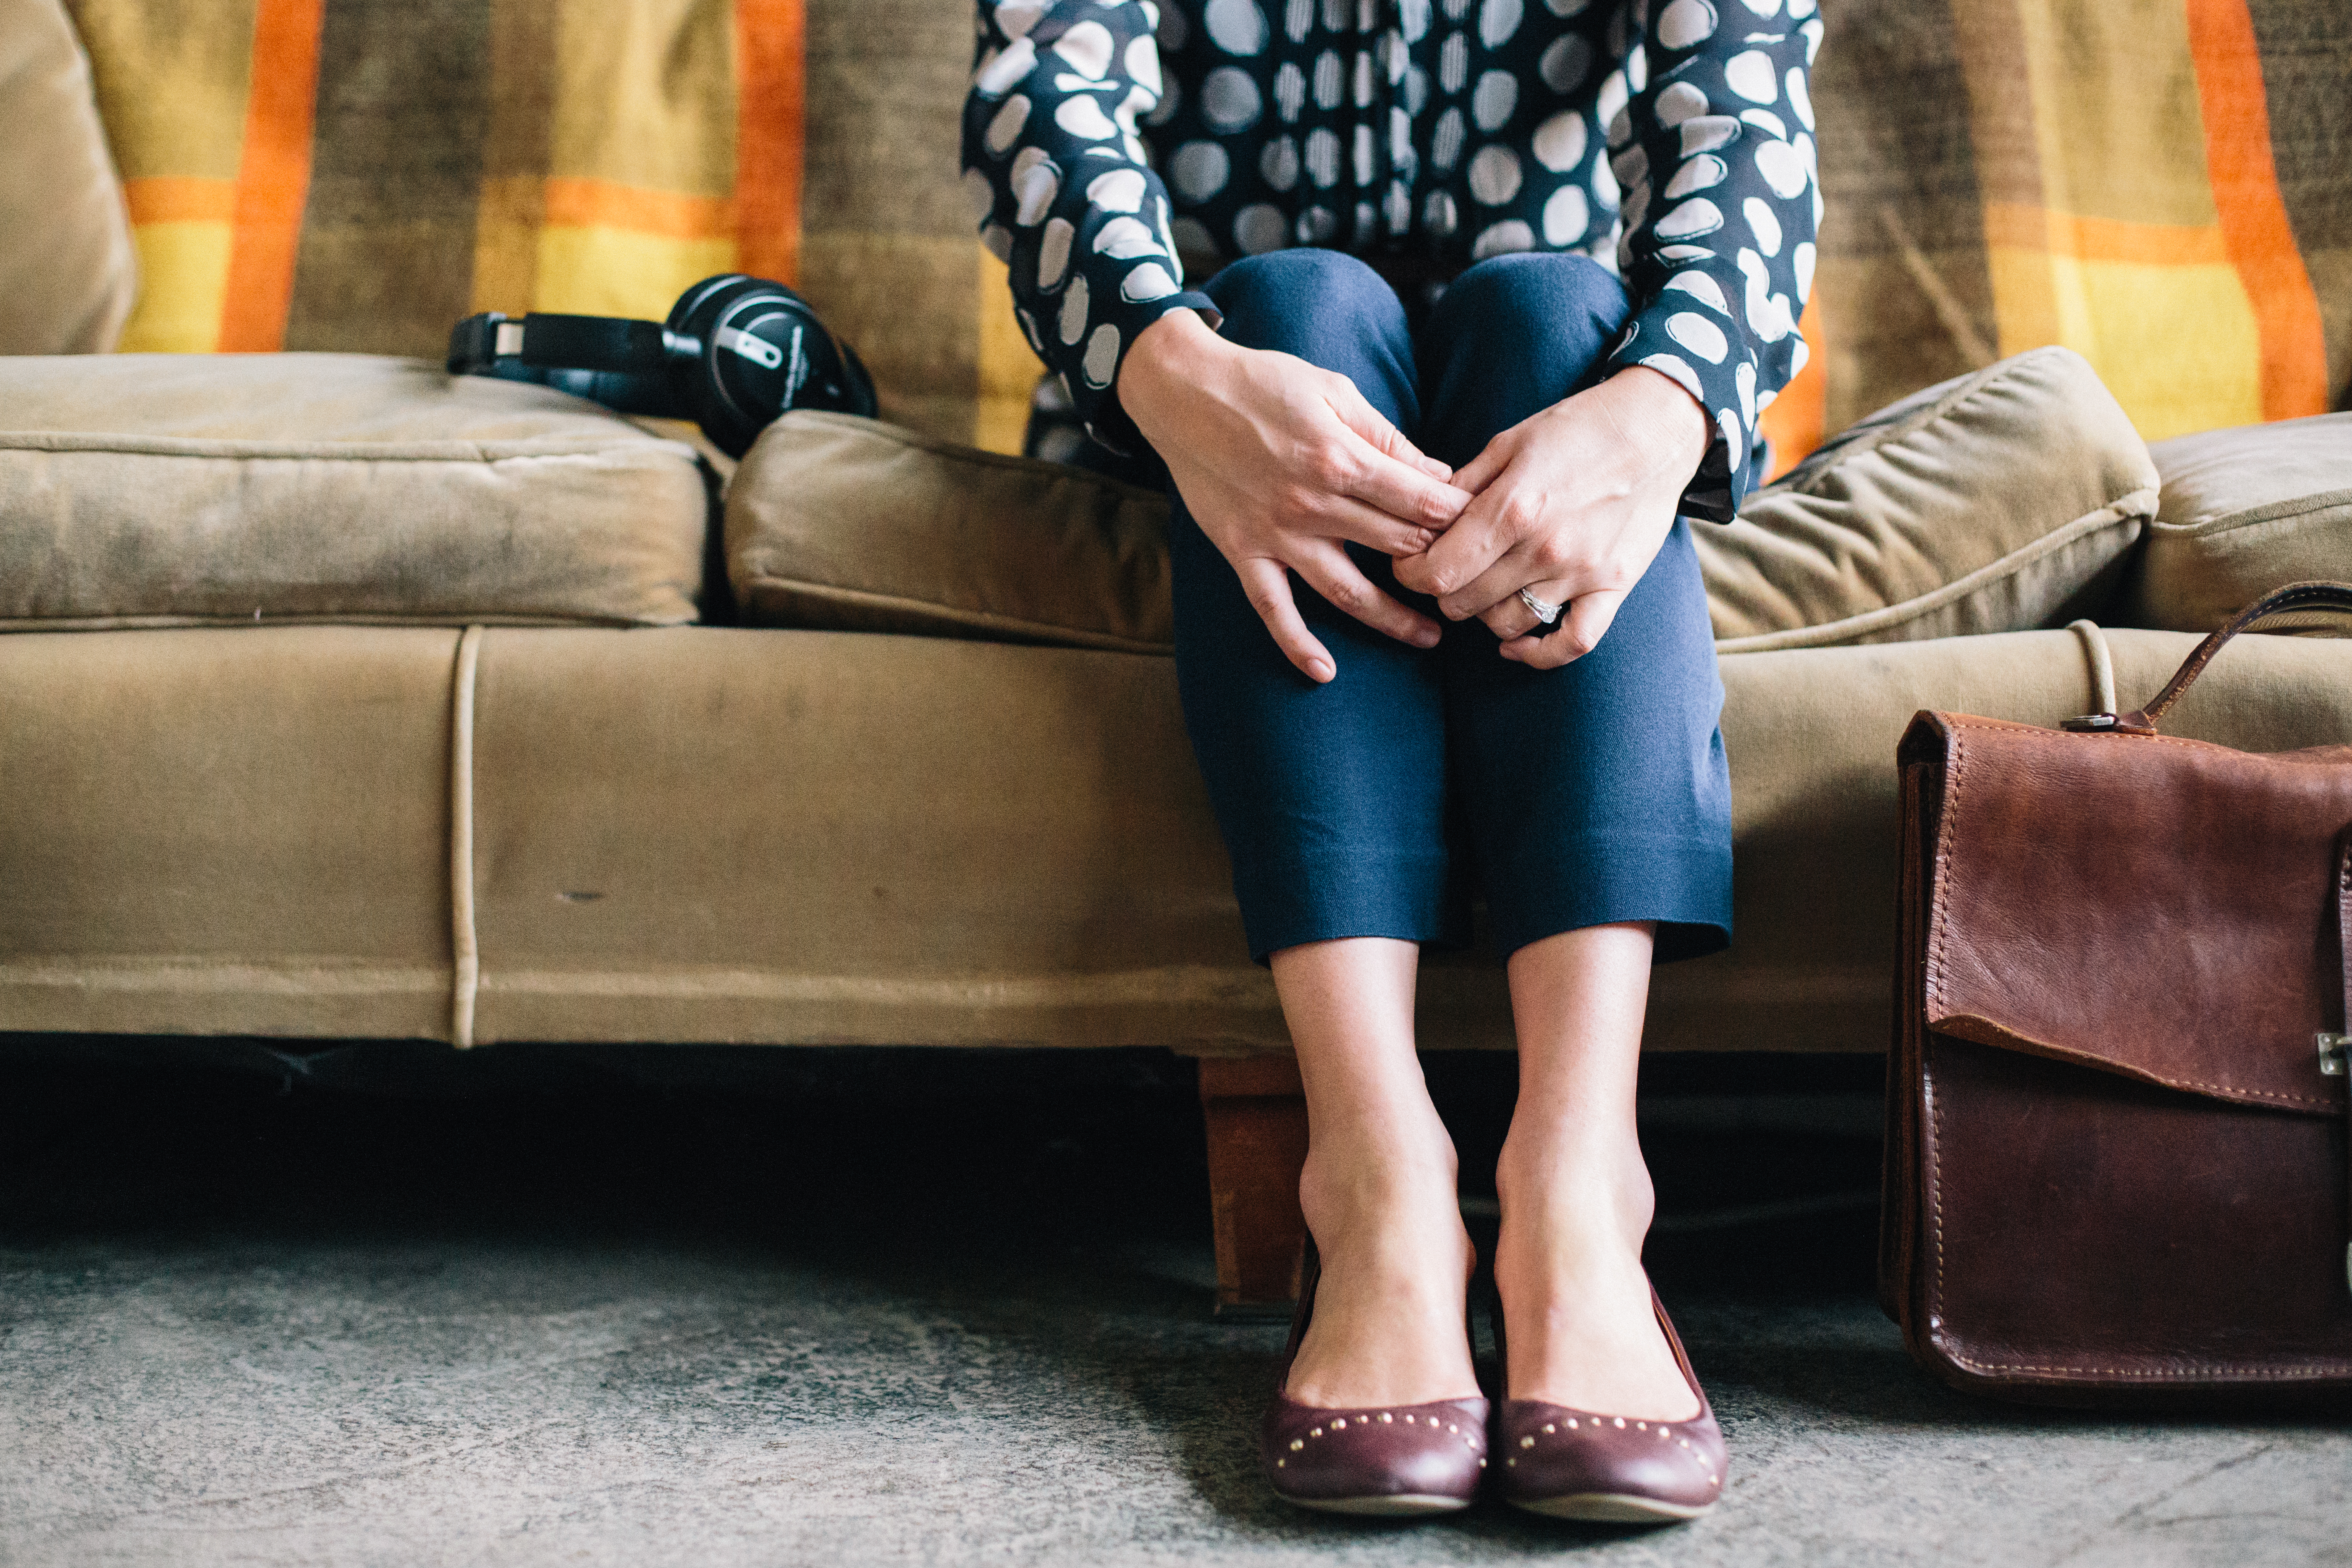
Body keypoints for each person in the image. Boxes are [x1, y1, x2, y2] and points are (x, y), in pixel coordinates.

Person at [963, 0, 1817, 1523]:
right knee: (1289, 298)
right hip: (1204, 404)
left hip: (1558, 409)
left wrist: (1664, 401)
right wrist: (1173, 372)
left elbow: (1738, 124)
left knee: (1554, 307)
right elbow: (1047, 104)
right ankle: (1373, 1180)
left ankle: (1576, 1183)